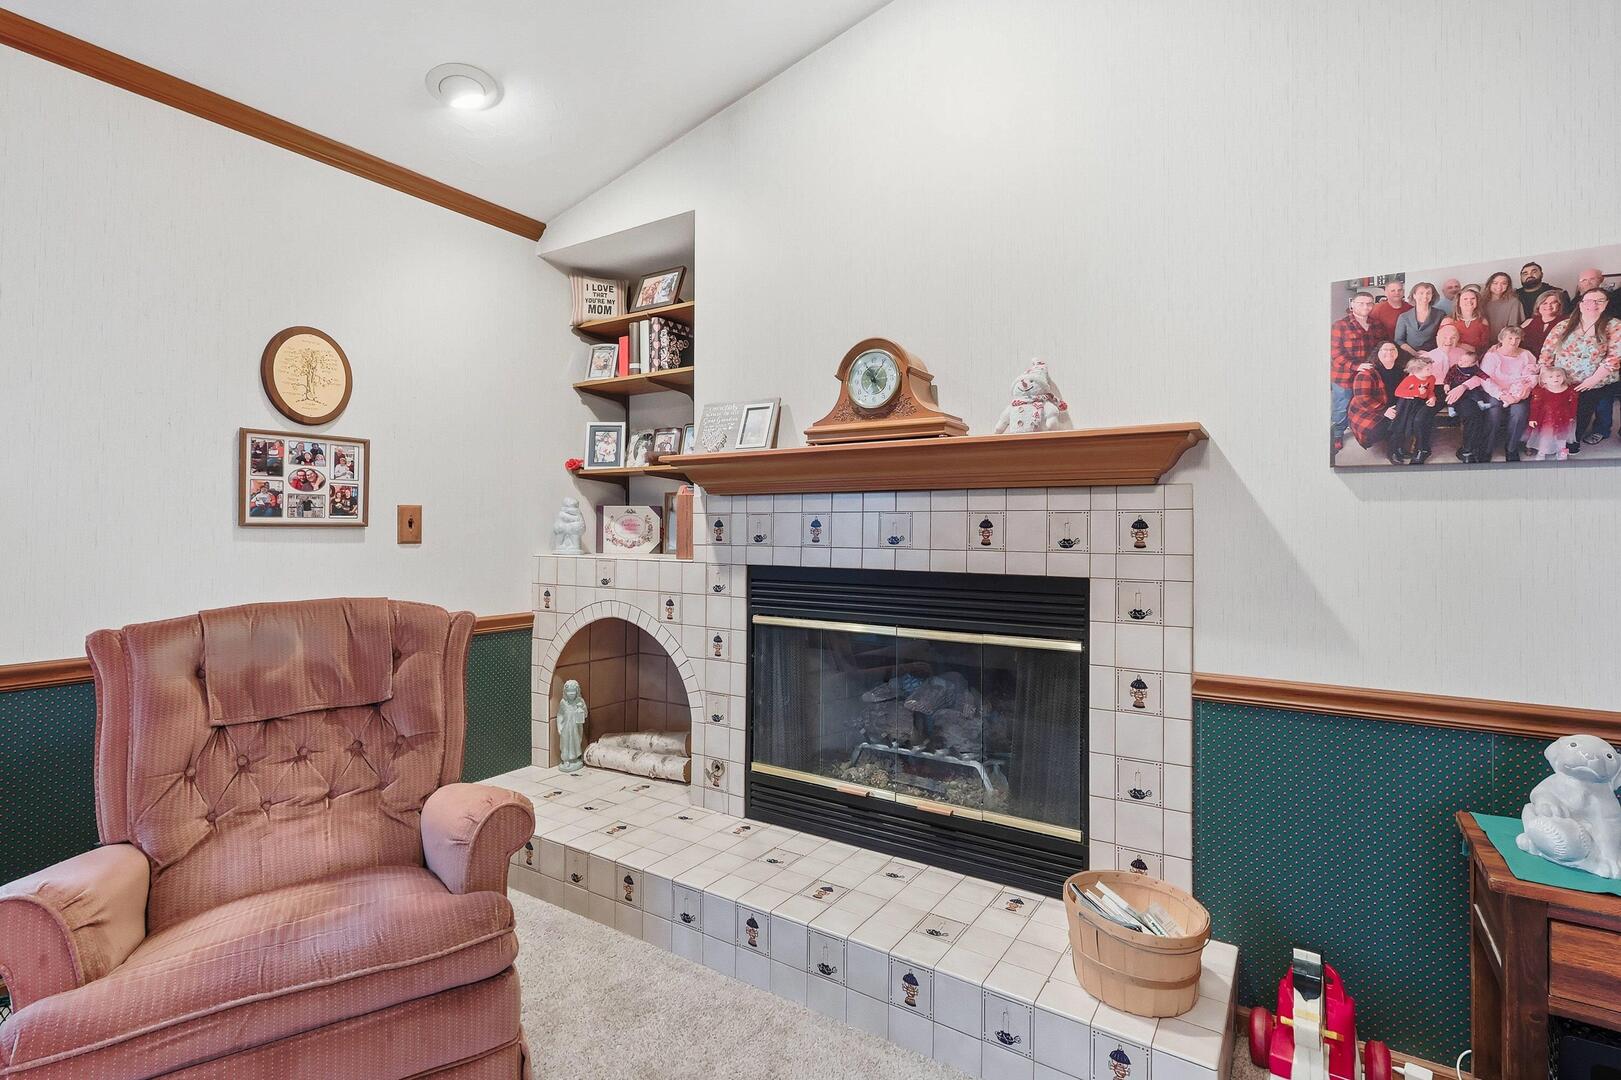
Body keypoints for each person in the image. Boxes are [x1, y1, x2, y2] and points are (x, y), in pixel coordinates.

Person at [1541, 287, 1621, 447]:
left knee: (1580, 415)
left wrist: (1592, 380)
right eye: (1589, 301)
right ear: (1581, 304)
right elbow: (1547, 350)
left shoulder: (1614, 325)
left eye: (1599, 301)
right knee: (1558, 414)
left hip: (1592, 383)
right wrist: (1545, 375)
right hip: (1561, 381)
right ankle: (1552, 443)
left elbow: (1614, 357)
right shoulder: (1564, 324)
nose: (1593, 304)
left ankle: (1572, 443)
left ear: (1606, 304)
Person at [1480, 324, 1539, 461]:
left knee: (1519, 413)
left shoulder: (1526, 355)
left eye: (1517, 338)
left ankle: (1511, 448)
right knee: (1494, 413)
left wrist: (1526, 389)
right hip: (1495, 391)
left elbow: (1533, 375)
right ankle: (1486, 448)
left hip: (1518, 392)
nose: (1513, 342)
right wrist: (1501, 395)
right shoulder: (1492, 356)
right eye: (1510, 338)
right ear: (1501, 339)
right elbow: (1485, 379)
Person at [1330, 291, 1378, 453]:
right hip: (1344, 375)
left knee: (1363, 404)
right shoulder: (1340, 325)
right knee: (1341, 407)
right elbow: (1335, 353)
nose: (1365, 306)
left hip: (1367, 375)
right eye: (1361, 303)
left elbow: (1380, 347)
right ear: (1352, 305)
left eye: (1369, 303)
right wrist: (1356, 366)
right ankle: (1337, 435)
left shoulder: (1376, 324)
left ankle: (1359, 431)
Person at [1348, 341, 1403, 452]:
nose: (1389, 352)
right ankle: (1391, 449)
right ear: (1377, 353)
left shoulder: (1401, 370)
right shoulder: (1367, 373)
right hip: (1369, 411)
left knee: (1404, 420)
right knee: (1378, 431)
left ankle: (1395, 447)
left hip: (1392, 407)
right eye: (1385, 349)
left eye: (1393, 349)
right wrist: (1384, 410)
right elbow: (1363, 399)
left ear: (1398, 353)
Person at [1443, 344, 1494, 462]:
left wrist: (1464, 386)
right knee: (1471, 413)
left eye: (1453, 337)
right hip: (1446, 390)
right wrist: (1448, 386)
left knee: (1477, 414)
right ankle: (1468, 450)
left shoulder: (1464, 353)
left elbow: (1479, 376)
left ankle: (1472, 449)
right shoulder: (1430, 355)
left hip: (1470, 391)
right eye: (1445, 337)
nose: (1448, 341)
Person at [1388, 354, 1438, 464]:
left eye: (1431, 368)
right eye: (1428, 369)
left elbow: (1430, 391)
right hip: (1406, 405)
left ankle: (1402, 449)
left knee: (1411, 426)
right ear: (1416, 370)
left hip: (1419, 404)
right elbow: (1398, 392)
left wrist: (1432, 398)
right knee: (1400, 426)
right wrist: (1416, 392)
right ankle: (1394, 451)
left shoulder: (1431, 378)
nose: (1431, 371)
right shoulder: (1410, 379)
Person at [1524, 365, 1578, 461]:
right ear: (1544, 380)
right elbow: (1535, 406)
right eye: (1551, 377)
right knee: (1545, 437)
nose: (1555, 378)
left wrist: (1571, 416)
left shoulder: (1570, 390)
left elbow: (1573, 404)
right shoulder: (1541, 391)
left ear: (1564, 377)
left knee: (1562, 437)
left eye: (1558, 376)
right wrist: (1533, 418)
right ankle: (1542, 452)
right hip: (1546, 419)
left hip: (1563, 418)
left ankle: (1561, 451)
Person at [1394, 281, 1445, 359]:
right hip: (1409, 356)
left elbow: (1444, 338)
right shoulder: (1404, 317)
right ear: (1414, 295)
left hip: (1433, 356)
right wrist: (1415, 354)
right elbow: (1399, 340)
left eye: (1428, 293)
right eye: (1421, 293)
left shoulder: (1440, 315)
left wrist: (1429, 354)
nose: (1425, 296)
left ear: (1432, 296)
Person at [1441, 285, 1492, 354]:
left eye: (1473, 298)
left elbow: (1484, 347)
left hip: (1475, 357)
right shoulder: (1448, 321)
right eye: (1465, 299)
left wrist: (1474, 352)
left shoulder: (1483, 321)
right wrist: (1463, 346)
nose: (1469, 301)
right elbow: (1442, 343)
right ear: (1458, 302)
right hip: (1451, 356)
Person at [1520, 289, 1567, 356]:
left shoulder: (1566, 323)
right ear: (1538, 305)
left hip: (1551, 360)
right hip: (1526, 359)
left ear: (1559, 305)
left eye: (1553, 303)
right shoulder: (1529, 322)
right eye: (1545, 303)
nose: (1549, 306)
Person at [1482, 271, 1525, 343]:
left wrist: (1502, 344)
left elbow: (1513, 328)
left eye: (1504, 283)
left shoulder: (1514, 302)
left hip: (1503, 343)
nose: (1499, 286)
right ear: (1489, 284)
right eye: (1495, 283)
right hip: (1482, 342)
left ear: (1508, 286)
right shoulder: (1481, 301)